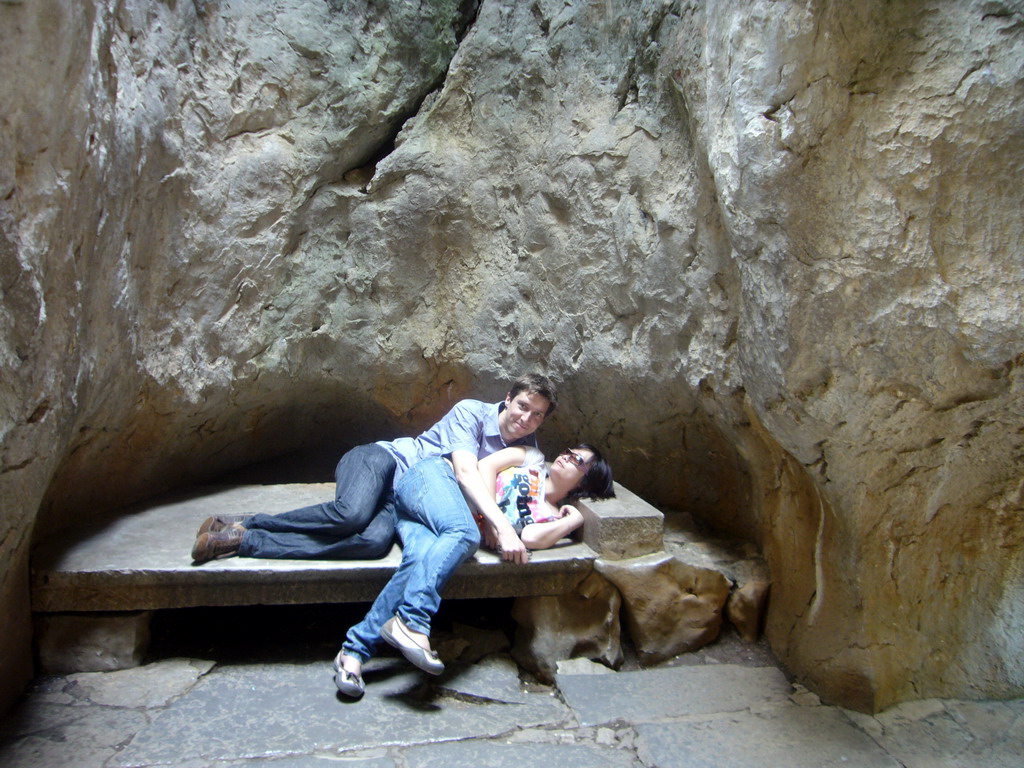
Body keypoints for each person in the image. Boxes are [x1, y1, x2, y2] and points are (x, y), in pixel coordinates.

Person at [332, 441, 614, 698]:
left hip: (426, 520)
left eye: (578, 461)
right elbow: (485, 465)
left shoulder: (550, 516)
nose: (567, 457)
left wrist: (571, 521)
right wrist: (490, 520)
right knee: (464, 534)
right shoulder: (533, 459)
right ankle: (413, 621)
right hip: (433, 483)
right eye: (569, 451)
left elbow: (529, 539)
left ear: (584, 482)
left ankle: (353, 653)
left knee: (419, 560)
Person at [190, 373, 558, 565]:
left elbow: (521, 495)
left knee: (371, 542)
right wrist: (501, 527)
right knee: (350, 515)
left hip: (403, 499)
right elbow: (465, 472)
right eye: (522, 405)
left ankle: (239, 540)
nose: (526, 418)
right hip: (384, 461)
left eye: (537, 415)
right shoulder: (471, 412)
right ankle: (252, 520)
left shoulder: (527, 450)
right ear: (508, 399)